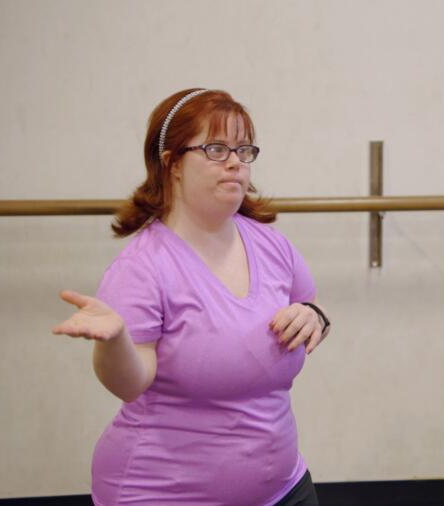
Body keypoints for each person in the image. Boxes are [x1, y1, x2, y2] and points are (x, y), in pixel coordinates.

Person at [53, 88, 330, 506]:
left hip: (283, 489)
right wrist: (115, 342)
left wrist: (314, 315)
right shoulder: (143, 267)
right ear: (173, 164)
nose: (235, 161)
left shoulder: (273, 245)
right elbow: (130, 384)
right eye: (216, 148)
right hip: (163, 494)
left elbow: (312, 306)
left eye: (243, 149)